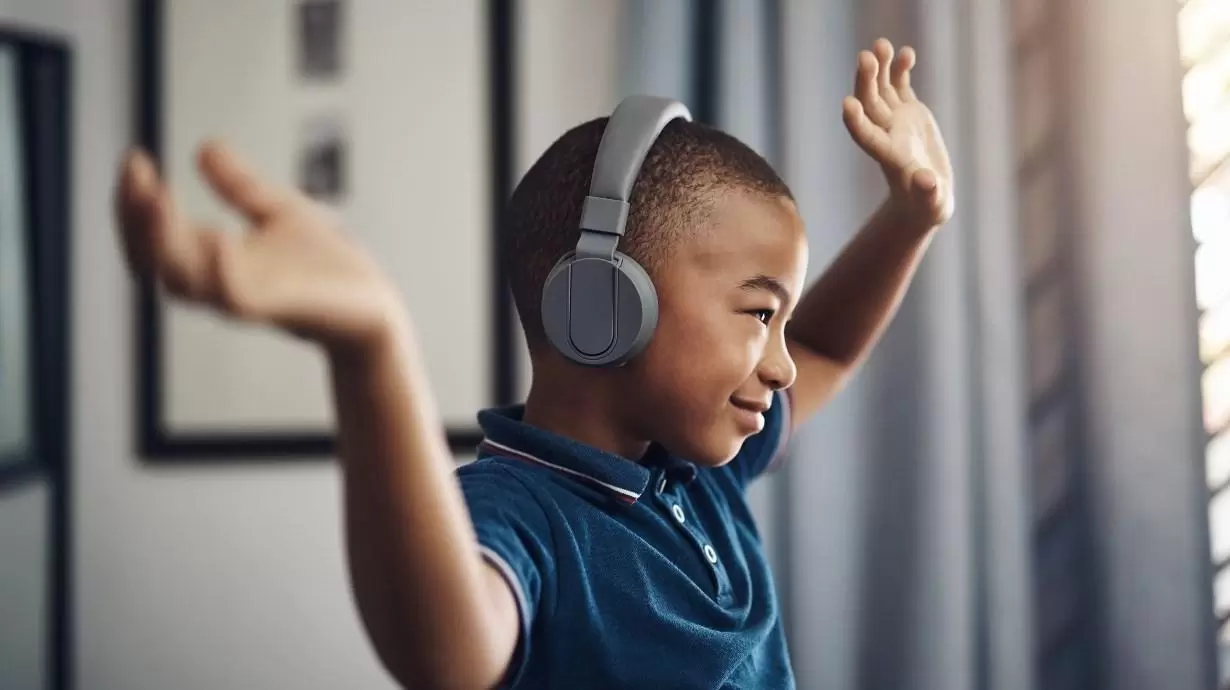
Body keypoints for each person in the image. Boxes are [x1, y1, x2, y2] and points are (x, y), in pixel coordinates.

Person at [114, 37, 952, 690]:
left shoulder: (698, 472)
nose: (780, 366)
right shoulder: (520, 514)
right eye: (760, 314)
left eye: (781, 322)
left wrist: (913, 216)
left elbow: (827, 349)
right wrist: (371, 349)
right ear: (603, 301)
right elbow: (446, 656)